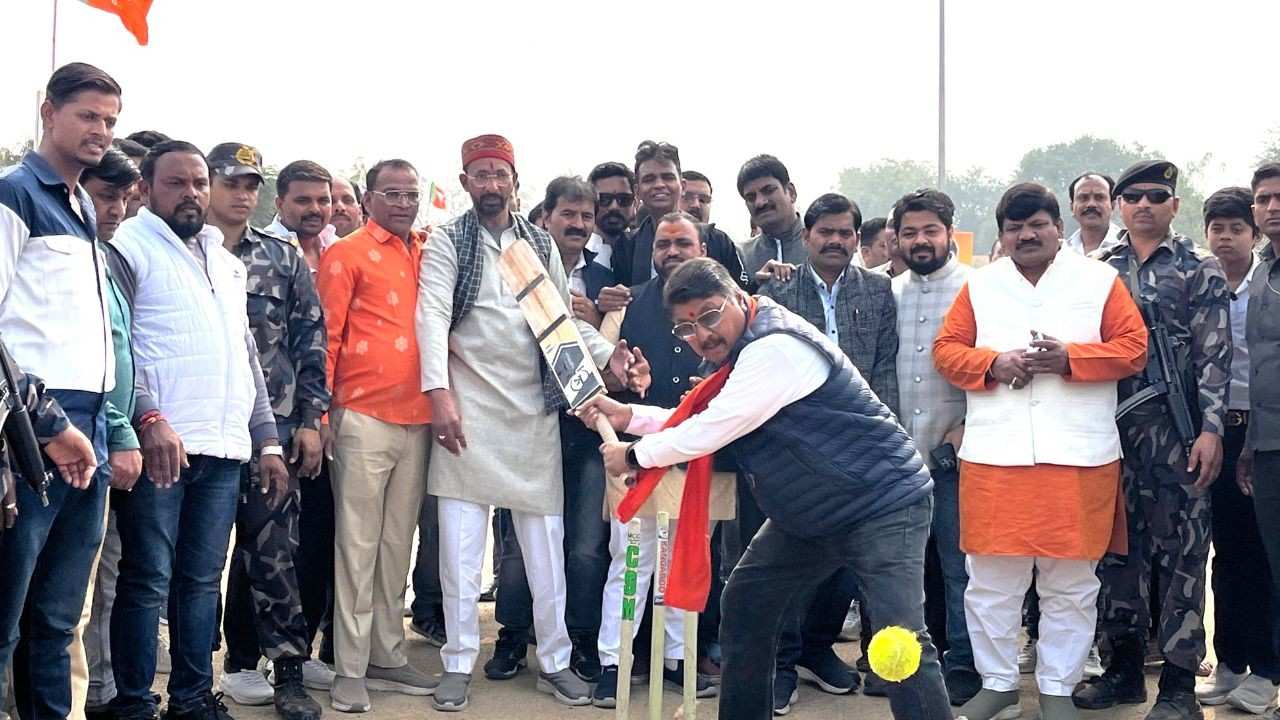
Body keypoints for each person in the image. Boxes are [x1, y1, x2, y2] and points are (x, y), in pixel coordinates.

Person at [578, 257, 951, 720]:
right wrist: (629, 417)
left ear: (739, 296)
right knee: (748, 603)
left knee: (900, 642)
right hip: (809, 513)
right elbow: (703, 418)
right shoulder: (742, 350)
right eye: (687, 327)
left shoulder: (774, 347)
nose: (703, 333)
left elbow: (716, 427)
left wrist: (634, 454)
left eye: (711, 315)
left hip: (881, 504)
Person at [416, 134, 644, 712]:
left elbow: (559, 323)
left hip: (531, 412)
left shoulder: (536, 243)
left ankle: (557, 662)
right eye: (481, 175)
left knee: (546, 548)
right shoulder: (448, 241)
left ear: (515, 182)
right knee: (461, 554)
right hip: (467, 411)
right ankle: (458, 663)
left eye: (501, 175)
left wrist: (606, 356)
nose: (492, 185)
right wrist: (437, 393)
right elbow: (433, 315)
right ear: (465, 181)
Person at [933, 182, 1147, 720]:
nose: (1027, 235)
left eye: (1038, 224)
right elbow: (946, 351)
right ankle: (999, 684)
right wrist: (993, 364)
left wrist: (1070, 358)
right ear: (1002, 235)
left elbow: (1133, 348)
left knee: (1070, 583)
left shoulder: (1099, 280)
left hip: (1078, 456)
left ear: (1058, 226)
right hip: (995, 455)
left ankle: (1056, 689)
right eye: (1014, 227)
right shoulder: (982, 286)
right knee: (990, 582)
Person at [106, 139, 290, 720]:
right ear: (146, 188)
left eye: (197, 184)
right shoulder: (127, 248)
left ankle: (191, 700)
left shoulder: (227, 262)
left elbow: (246, 357)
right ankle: (135, 704)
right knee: (146, 579)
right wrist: (147, 417)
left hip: (225, 446)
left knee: (201, 581)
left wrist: (265, 440)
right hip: (163, 445)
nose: (190, 194)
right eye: (175, 183)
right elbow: (117, 348)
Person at [1073, 160, 1231, 720]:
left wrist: (1210, 429)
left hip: (1178, 433)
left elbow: (1215, 356)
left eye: (1156, 196)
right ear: (1119, 205)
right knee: (1116, 555)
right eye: (1133, 196)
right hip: (1109, 436)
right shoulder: (1095, 269)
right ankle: (1121, 670)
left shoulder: (1198, 268)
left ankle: (1180, 686)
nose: (1143, 205)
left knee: (1184, 556)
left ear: (1174, 205)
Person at [0, 62, 123, 720]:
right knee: (7, 617)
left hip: (91, 429)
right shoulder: (15, 195)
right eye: (87, 116)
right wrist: (47, 423)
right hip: (28, 432)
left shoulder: (81, 206)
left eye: (109, 120)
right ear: (47, 112)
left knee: (57, 619)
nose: (100, 131)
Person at [757, 192, 900, 706]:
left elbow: (884, 369)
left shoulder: (879, 291)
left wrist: (881, 444)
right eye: (826, 232)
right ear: (808, 236)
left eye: (846, 233)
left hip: (858, 451)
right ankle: (780, 665)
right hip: (794, 448)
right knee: (790, 564)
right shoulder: (779, 290)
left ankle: (817, 649)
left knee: (844, 564)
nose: (836, 241)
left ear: (857, 239)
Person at [204, 142, 330, 720]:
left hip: (270, 436)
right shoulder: (179, 251)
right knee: (196, 565)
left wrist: (310, 420)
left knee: (277, 557)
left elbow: (310, 345)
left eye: (251, 185)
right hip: (199, 432)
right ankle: (194, 681)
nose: (243, 194)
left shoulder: (281, 258)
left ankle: (288, 674)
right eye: (232, 183)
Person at [589, 211, 726, 707]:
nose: (672, 252)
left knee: (683, 558)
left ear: (702, 247)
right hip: (635, 457)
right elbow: (603, 382)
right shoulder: (627, 307)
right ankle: (614, 661)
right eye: (663, 244)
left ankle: (675, 658)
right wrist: (630, 384)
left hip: (700, 457)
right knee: (629, 561)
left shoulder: (721, 310)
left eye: (682, 243)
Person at [485, 177, 616, 685]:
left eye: (587, 216)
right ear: (546, 217)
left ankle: (580, 638)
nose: (579, 225)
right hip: (525, 423)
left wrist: (605, 325)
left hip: (586, 431)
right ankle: (513, 634)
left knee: (585, 543)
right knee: (518, 544)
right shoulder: (516, 267)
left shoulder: (607, 275)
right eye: (569, 214)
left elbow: (608, 339)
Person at [316, 158, 435, 712]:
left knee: (395, 544)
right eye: (392, 193)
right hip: (361, 415)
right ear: (367, 198)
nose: (404, 202)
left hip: (419, 418)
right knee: (357, 544)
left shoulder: (427, 251)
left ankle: (388, 654)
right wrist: (321, 418)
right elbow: (328, 339)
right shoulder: (344, 254)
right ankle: (350, 666)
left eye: (411, 193)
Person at [889, 188, 981, 705]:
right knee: (905, 571)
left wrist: (970, 426)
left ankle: (965, 662)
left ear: (949, 232)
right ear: (897, 238)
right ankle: (911, 665)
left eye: (930, 231)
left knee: (958, 566)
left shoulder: (978, 288)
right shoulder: (889, 291)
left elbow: (991, 367)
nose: (920, 240)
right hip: (899, 460)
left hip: (957, 455)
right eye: (910, 232)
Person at [1194, 186, 1279, 714]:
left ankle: (1268, 669)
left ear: (1252, 233)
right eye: (1217, 229)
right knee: (1225, 551)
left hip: (1263, 428)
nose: (1225, 239)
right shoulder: (1201, 283)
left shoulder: (1265, 283)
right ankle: (1229, 660)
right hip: (1216, 429)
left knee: (1266, 551)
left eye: (1235, 230)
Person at [77, 147, 145, 720]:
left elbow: (124, 357)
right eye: (106, 196)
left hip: (110, 447)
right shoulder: (60, 258)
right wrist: (121, 430)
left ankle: (98, 695)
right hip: (65, 445)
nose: (117, 209)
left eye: (125, 197)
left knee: (104, 582)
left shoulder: (108, 261)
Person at [1244, 163, 1280, 720]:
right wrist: (1250, 444)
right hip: (1269, 444)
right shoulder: (1260, 271)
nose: (1272, 207)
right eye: (1263, 199)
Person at [612, 141, 746, 290]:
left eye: (667, 177)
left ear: (682, 186)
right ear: (637, 191)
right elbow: (622, 301)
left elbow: (740, 296)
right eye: (649, 179)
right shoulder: (626, 245)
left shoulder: (717, 240)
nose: (659, 185)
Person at [735, 154, 809, 288]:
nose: (760, 202)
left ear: (791, 192)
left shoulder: (822, 246)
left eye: (768, 191)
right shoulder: (739, 256)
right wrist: (757, 288)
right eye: (751, 197)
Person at [267, 161, 336, 270]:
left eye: (323, 201)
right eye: (303, 201)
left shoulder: (336, 245)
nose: (315, 209)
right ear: (280, 204)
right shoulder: (263, 254)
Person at [1065, 173, 1123, 257]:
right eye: (1083, 198)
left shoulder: (1128, 247)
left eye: (1099, 197)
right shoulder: (1063, 252)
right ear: (1072, 207)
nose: (1091, 204)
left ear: (1113, 205)